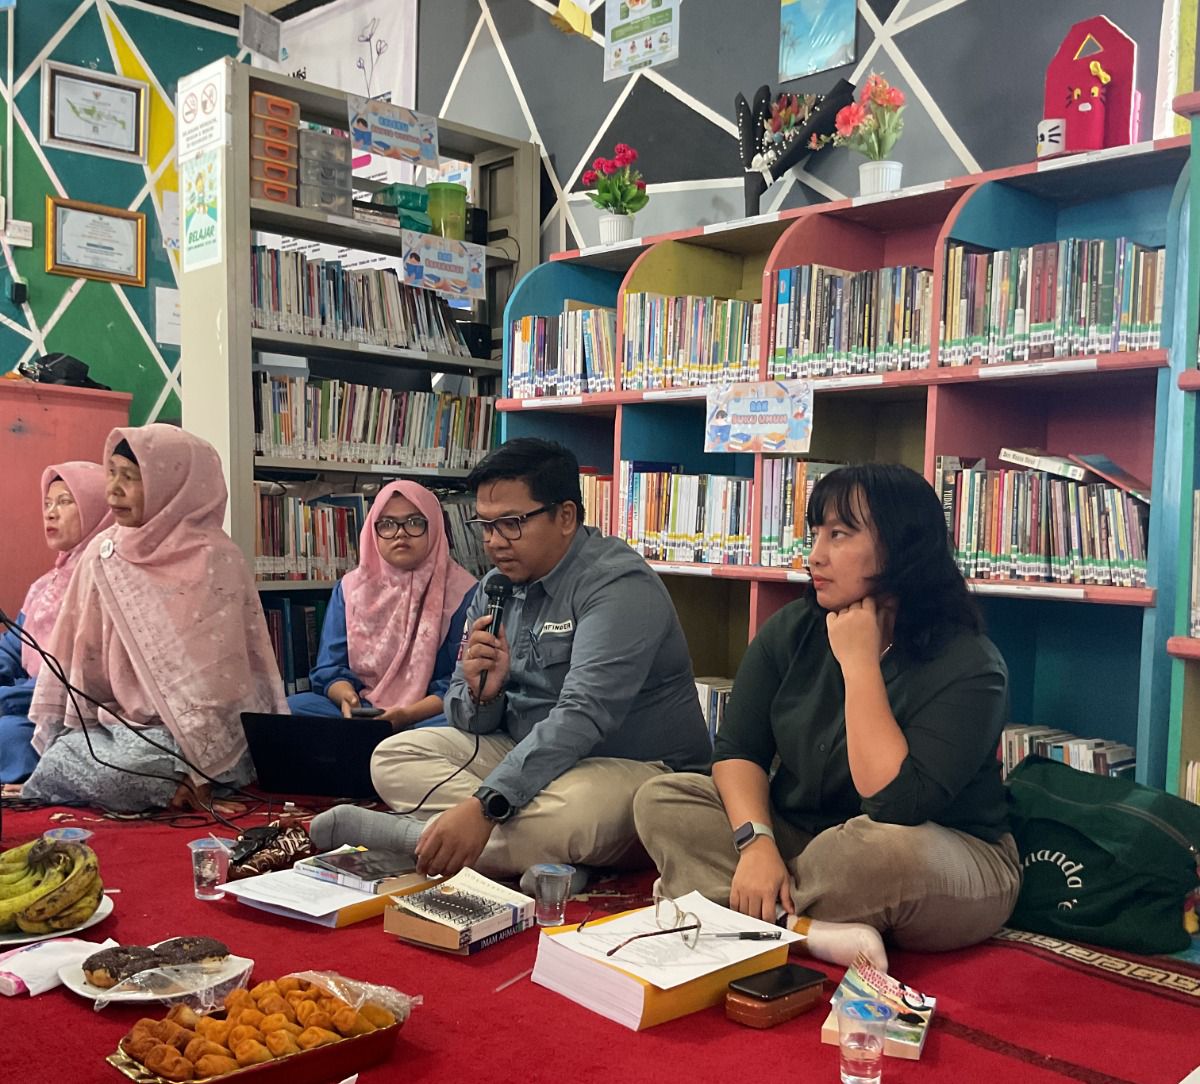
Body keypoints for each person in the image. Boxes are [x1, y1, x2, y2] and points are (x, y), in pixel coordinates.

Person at [633, 463, 1021, 971]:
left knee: (879, 851)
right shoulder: (793, 628)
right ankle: (805, 930)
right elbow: (738, 751)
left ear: (902, 546)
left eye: (839, 535)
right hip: (805, 837)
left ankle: (722, 904)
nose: (815, 555)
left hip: (935, 850)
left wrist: (860, 666)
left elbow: (896, 804)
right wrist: (756, 845)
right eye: (815, 533)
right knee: (663, 799)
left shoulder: (970, 664)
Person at [309, 437, 712, 887]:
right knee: (393, 757)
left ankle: (413, 837)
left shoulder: (617, 586)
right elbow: (468, 718)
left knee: (576, 811)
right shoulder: (494, 587)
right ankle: (555, 859)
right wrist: (484, 695)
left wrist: (486, 805)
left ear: (566, 516)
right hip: (531, 756)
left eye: (511, 524)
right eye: (485, 525)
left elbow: (583, 715)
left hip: (635, 766)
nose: (494, 542)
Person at [21, 424, 287, 813]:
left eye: (130, 477)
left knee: (140, 766)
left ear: (173, 485)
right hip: (120, 727)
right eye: (111, 473)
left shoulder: (217, 558)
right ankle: (168, 787)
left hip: (191, 735)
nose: (113, 490)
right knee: (65, 756)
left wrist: (198, 767)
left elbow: (220, 683)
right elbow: (82, 660)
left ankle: (184, 783)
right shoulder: (103, 553)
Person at [286, 479, 476, 729]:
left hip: (426, 713)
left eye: (414, 522)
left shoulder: (463, 592)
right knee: (289, 708)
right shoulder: (351, 589)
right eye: (387, 524)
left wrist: (406, 715)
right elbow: (330, 667)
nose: (400, 533)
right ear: (372, 531)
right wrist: (347, 698)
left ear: (435, 526)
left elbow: (459, 682)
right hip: (364, 706)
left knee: (460, 721)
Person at [0, 462, 112, 782]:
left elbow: (88, 676)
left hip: (76, 713)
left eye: (64, 502)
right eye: (48, 503)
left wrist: (12, 697)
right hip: (23, 701)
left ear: (96, 509)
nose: (50, 513)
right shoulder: (44, 586)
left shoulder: (108, 582)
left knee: (7, 735)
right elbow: (13, 647)